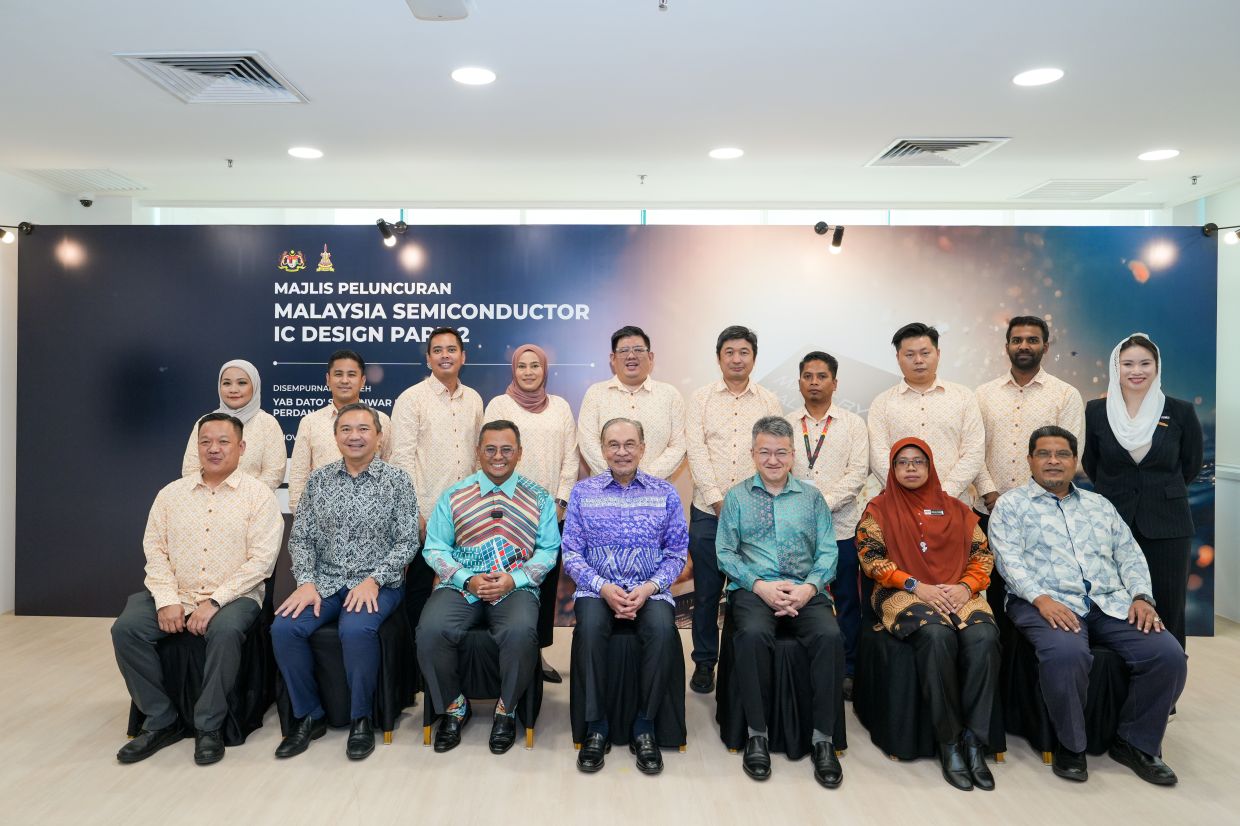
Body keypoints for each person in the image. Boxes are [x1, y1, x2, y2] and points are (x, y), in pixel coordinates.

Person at [990, 425, 1186, 786]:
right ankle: (1071, 745)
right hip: (1043, 602)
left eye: (1062, 454)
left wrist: (1142, 596)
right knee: (1067, 655)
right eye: (1044, 454)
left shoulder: (1099, 505)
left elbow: (1129, 554)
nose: (1053, 461)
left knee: (1168, 655)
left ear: (1074, 461)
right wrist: (1040, 598)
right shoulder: (1011, 505)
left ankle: (1136, 742)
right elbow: (1007, 560)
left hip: (1110, 602)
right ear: (1030, 460)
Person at [112, 413, 282, 766]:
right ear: (197, 446)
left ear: (241, 447)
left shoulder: (259, 497)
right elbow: (154, 551)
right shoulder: (171, 494)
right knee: (126, 629)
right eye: (206, 442)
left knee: (224, 631)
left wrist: (215, 601)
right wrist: (167, 599)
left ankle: (209, 726)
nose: (214, 449)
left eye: (223, 442)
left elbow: (261, 562)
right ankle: (161, 720)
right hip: (178, 591)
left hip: (236, 596)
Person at [270, 403, 419, 761]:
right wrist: (305, 582)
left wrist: (375, 579)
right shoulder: (319, 480)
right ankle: (309, 716)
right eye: (346, 429)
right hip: (324, 581)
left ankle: (361, 719)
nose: (355, 436)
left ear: (379, 437)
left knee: (355, 631)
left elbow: (407, 540)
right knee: (284, 629)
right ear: (335, 437)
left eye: (364, 429)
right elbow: (301, 538)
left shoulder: (397, 481)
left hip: (378, 584)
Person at [856, 438, 999, 792]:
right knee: (936, 634)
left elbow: (982, 556)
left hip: (958, 589)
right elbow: (872, 560)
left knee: (984, 636)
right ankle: (948, 741)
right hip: (901, 592)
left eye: (918, 462)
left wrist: (965, 587)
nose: (910, 468)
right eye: (902, 462)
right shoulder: (877, 510)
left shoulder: (959, 509)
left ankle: (974, 741)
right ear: (892, 469)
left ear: (931, 466)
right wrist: (916, 585)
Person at [416, 420, 560, 755]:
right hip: (461, 584)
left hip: (515, 586)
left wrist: (515, 579)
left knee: (521, 633)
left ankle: (506, 711)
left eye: (507, 449)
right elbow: (435, 548)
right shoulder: (454, 495)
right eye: (490, 449)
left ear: (519, 453)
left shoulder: (538, 498)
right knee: (430, 631)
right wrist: (466, 577)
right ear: (478, 451)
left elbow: (549, 550)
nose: (498, 456)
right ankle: (454, 707)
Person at [716, 416, 843, 788]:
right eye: (765, 452)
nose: (773, 460)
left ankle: (823, 740)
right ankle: (757, 734)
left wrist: (808, 589)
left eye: (781, 452)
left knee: (829, 637)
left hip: (806, 589)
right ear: (753, 453)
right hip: (754, 589)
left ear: (792, 456)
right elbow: (725, 553)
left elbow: (828, 552)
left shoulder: (812, 497)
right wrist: (759, 586)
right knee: (752, 634)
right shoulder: (737, 496)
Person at [562, 418, 688, 775]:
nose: (621, 451)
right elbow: (571, 552)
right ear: (602, 450)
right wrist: (603, 586)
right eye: (613, 444)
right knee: (588, 632)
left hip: (651, 591)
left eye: (629, 444)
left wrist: (649, 588)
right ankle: (597, 727)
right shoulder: (584, 492)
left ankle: (645, 726)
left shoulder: (664, 492)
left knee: (663, 632)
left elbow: (677, 553)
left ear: (643, 448)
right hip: (596, 589)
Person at [1083, 333, 1204, 651]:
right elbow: (1091, 464)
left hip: (1167, 528)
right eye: (1128, 363)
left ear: (1157, 366)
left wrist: (1158, 493)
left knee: (1168, 610)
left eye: (1145, 363)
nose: (1136, 370)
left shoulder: (1180, 412)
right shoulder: (1096, 412)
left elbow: (1190, 466)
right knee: (1112, 611)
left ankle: (1167, 697)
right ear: (1116, 367)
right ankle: (1114, 694)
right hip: (1111, 525)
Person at [685, 325, 783, 694]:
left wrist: (745, 504)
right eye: (729, 352)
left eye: (744, 352)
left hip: (756, 513)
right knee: (708, 593)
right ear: (719, 357)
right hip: (709, 513)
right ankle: (705, 663)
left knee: (750, 590)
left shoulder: (769, 401)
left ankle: (742, 661)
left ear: (753, 358)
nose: (736, 358)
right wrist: (718, 500)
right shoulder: (702, 399)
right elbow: (696, 451)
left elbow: (773, 452)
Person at [484, 343, 579, 684]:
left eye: (534, 366)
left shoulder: (561, 407)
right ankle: (505, 656)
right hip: (507, 514)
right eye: (522, 366)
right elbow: (490, 454)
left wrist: (561, 502)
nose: (528, 372)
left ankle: (535, 656)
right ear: (514, 370)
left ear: (544, 370)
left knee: (544, 583)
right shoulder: (499, 404)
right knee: (507, 584)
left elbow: (571, 457)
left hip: (551, 513)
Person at [389, 326, 485, 654]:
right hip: (426, 515)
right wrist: (416, 515)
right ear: (428, 358)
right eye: (437, 350)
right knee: (419, 589)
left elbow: (477, 457)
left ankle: (454, 659)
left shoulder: (474, 399)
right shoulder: (411, 399)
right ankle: (418, 667)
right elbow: (400, 461)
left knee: (463, 586)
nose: (445, 355)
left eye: (451, 349)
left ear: (463, 356)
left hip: (468, 514)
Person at [784, 351, 868, 696]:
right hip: (794, 533)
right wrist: (802, 511)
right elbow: (777, 470)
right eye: (808, 376)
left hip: (842, 529)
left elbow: (858, 473)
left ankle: (847, 669)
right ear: (799, 382)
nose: (814, 382)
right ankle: (803, 663)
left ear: (835, 383)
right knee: (799, 599)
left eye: (821, 376)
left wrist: (819, 505)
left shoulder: (853, 424)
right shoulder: (786, 424)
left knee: (847, 600)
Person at [974, 316, 1084, 513]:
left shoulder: (1066, 395)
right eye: (1017, 340)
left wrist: (1035, 499)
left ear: (1046, 347)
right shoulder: (983, 394)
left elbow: (1069, 455)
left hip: (1046, 511)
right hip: (989, 509)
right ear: (1007, 347)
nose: (1023, 346)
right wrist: (989, 493)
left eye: (1032, 340)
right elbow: (973, 449)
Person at [868, 322, 985, 504]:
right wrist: (905, 493)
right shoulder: (882, 403)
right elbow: (878, 455)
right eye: (909, 354)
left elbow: (974, 452)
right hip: (899, 505)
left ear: (937, 354)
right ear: (898, 357)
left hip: (953, 504)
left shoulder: (963, 397)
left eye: (925, 353)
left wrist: (944, 494)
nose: (918, 360)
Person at [288, 349, 393, 511]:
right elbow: (298, 476)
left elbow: (390, 471)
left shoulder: (382, 420)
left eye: (351, 375)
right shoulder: (310, 422)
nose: (344, 380)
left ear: (363, 381)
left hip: (372, 517)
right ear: (328, 380)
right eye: (338, 374)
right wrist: (301, 515)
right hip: (322, 518)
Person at [577, 325, 686, 478]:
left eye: (639, 350)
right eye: (623, 351)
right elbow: (588, 443)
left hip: (656, 493)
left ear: (651, 357)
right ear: (613, 359)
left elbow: (678, 446)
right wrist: (619, 477)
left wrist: (644, 479)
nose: (631, 356)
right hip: (605, 493)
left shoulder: (670, 395)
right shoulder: (595, 394)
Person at [181, 359, 286, 490]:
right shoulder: (205, 422)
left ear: (254, 386)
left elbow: (273, 473)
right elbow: (190, 470)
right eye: (226, 383)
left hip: (254, 504)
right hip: (207, 503)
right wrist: (213, 495)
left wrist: (240, 499)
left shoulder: (267, 423)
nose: (233, 390)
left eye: (242, 383)